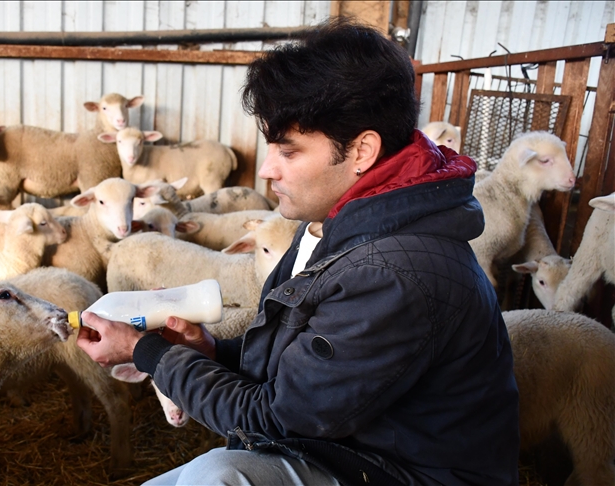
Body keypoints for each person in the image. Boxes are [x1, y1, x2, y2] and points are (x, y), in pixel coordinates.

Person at [76, 17, 519, 486]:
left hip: (407, 474)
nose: (266, 170)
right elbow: (309, 369)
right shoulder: (335, 226)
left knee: (220, 477)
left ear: (362, 151)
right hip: (361, 452)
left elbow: (279, 418)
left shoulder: (392, 271)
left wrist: (148, 353)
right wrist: (212, 351)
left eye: (288, 152)